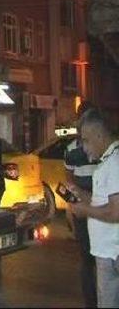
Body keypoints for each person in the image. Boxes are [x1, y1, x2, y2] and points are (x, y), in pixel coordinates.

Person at [69, 109, 119, 308]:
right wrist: (81, 195)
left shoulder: (114, 163)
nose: (85, 148)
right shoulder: (108, 161)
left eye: (86, 141)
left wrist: (84, 211)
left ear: (99, 135)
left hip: (112, 253)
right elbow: (102, 202)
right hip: (107, 252)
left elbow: (116, 211)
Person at [64, 101, 98, 308]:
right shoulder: (71, 150)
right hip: (84, 213)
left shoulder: (106, 148)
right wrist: (71, 208)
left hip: (104, 209)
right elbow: (69, 181)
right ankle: (91, 302)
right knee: (87, 259)